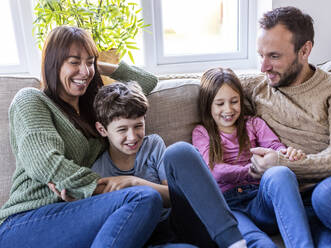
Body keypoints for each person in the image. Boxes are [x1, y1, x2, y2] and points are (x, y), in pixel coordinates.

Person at [0, 26, 161, 248]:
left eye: (89, 62)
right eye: (74, 62)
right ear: (53, 64)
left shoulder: (95, 108)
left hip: (75, 214)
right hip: (25, 221)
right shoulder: (31, 99)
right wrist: (101, 188)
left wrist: (97, 65)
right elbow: (45, 164)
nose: (84, 71)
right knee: (143, 197)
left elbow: (147, 82)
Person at [241, 6, 331, 247]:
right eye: (261, 55)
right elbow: (215, 86)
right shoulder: (256, 89)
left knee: (327, 194)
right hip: (298, 204)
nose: (263, 67)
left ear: (305, 50)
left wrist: (285, 164)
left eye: (274, 56)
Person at [88, 81, 247, 248]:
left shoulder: (153, 145)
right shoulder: (99, 170)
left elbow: (173, 197)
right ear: (102, 130)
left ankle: (234, 242)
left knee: (180, 150)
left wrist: (134, 182)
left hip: (178, 224)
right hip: (145, 238)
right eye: (122, 130)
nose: (132, 136)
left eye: (138, 126)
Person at [192, 67, 313, 248]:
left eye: (234, 101)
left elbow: (274, 148)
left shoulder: (254, 123)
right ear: (208, 104)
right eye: (220, 104)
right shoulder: (202, 132)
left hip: (261, 200)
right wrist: (252, 170)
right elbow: (214, 171)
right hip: (230, 207)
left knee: (281, 173)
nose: (228, 109)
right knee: (261, 244)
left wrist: (287, 155)